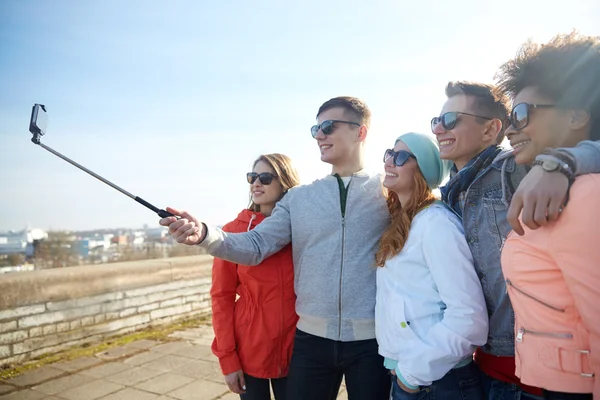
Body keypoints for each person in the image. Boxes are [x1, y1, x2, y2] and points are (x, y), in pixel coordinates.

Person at [160, 97, 391, 400]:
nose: (319, 135)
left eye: (327, 127)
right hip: (310, 342)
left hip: (373, 342)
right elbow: (255, 245)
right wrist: (204, 234)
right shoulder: (299, 198)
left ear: (360, 132)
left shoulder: (390, 192)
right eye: (315, 129)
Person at [433, 77, 600, 399]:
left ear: (489, 129)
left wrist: (563, 162)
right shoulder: (451, 193)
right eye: (437, 121)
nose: (439, 128)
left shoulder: (520, 168)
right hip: (480, 360)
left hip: (530, 371)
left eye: (451, 120)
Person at [497, 32, 600, 399]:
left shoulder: (584, 196)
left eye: (522, 114)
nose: (510, 129)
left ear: (576, 115)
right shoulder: (541, 182)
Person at [375, 132, 488, 400]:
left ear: (423, 170)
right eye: (389, 153)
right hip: (415, 377)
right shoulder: (404, 222)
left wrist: (410, 376)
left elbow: (468, 317)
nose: (389, 161)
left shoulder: (437, 223)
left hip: (438, 382)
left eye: (400, 156)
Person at [211, 153, 300, 399]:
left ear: (285, 182)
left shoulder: (301, 230)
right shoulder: (232, 233)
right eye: (252, 177)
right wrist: (228, 360)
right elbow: (222, 297)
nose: (256, 183)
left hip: (296, 348)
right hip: (249, 347)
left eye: (265, 177)